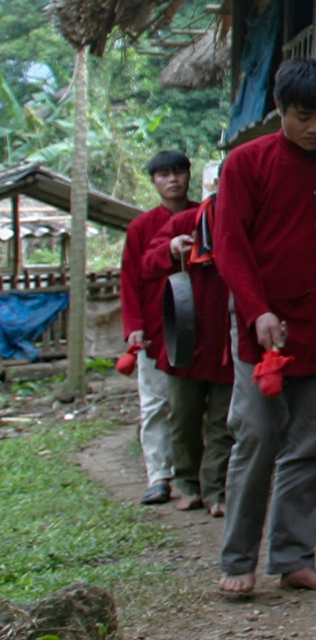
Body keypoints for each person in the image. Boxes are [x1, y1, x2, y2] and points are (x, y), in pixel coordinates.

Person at [211, 57, 316, 597]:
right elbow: (230, 248)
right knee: (255, 438)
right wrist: (257, 311)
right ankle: (237, 560)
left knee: (307, 446)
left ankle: (294, 557)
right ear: (280, 109)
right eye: (303, 117)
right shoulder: (246, 164)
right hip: (264, 329)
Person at [146, 189, 235, 516]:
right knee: (182, 417)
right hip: (186, 339)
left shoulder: (248, 220)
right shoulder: (188, 221)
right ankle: (186, 484)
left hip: (229, 341)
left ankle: (216, 491)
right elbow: (147, 263)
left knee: (223, 423)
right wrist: (170, 249)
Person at [119, 150, 195, 505]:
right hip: (154, 327)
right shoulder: (141, 227)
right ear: (153, 181)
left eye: (178, 172)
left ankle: (193, 477)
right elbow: (130, 280)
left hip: (197, 328)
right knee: (154, 405)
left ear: (188, 175)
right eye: (163, 174)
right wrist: (133, 327)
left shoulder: (205, 216)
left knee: (195, 406)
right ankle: (158, 476)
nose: (172, 180)